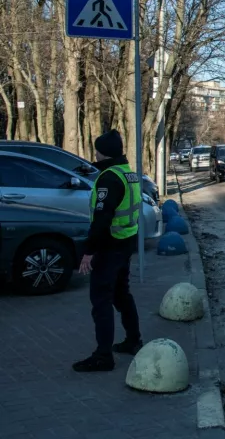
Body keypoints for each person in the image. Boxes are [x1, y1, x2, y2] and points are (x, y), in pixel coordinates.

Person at [73, 130, 143, 372]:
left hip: (109, 246)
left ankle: (103, 356)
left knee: (101, 299)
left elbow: (102, 219)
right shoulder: (128, 173)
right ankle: (134, 340)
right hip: (126, 242)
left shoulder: (109, 178)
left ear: (104, 152)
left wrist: (89, 251)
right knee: (122, 294)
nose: (95, 154)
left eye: (97, 150)